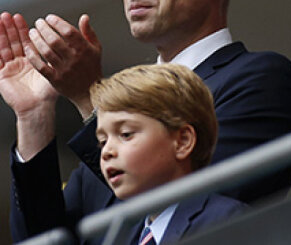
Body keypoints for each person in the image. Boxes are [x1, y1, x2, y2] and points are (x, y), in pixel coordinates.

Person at [3, 0, 291, 242]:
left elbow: (190, 212)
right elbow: (42, 240)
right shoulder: (109, 123)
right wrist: (34, 116)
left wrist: (93, 100)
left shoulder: (260, 79)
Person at [92, 63, 247, 244]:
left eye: (126, 134)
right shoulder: (118, 236)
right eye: (102, 142)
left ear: (183, 142)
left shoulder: (225, 221)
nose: (107, 152)